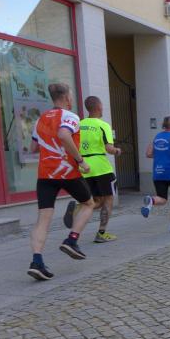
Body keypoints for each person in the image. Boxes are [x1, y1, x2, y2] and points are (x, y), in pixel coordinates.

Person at [27, 83, 95, 280]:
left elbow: (33, 147)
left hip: (45, 175)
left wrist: (49, 147)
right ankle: (71, 240)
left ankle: (37, 262)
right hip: (67, 172)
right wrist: (81, 161)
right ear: (66, 97)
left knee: (43, 219)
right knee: (89, 203)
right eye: (71, 96)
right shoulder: (69, 116)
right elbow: (64, 134)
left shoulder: (40, 119)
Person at [73, 96, 122, 243]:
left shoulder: (79, 125)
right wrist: (117, 151)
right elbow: (109, 148)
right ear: (99, 107)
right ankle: (101, 233)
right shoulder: (103, 125)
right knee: (108, 199)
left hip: (84, 167)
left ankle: (77, 208)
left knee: (96, 201)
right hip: (101, 168)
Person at [141, 116, 170, 232]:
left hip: (158, 172)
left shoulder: (157, 137)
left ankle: (151, 200)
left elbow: (148, 153)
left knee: (162, 198)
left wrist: (161, 155)